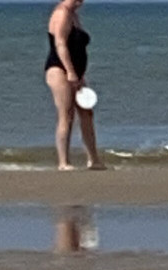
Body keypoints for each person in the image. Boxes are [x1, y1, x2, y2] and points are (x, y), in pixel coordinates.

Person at [45, 0, 103, 171]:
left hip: (76, 73)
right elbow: (60, 44)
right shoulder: (62, 13)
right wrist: (70, 72)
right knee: (67, 114)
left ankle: (94, 160)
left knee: (86, 112)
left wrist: (79, 75)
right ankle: (63, 162)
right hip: (59, 69)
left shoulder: (73, 15)